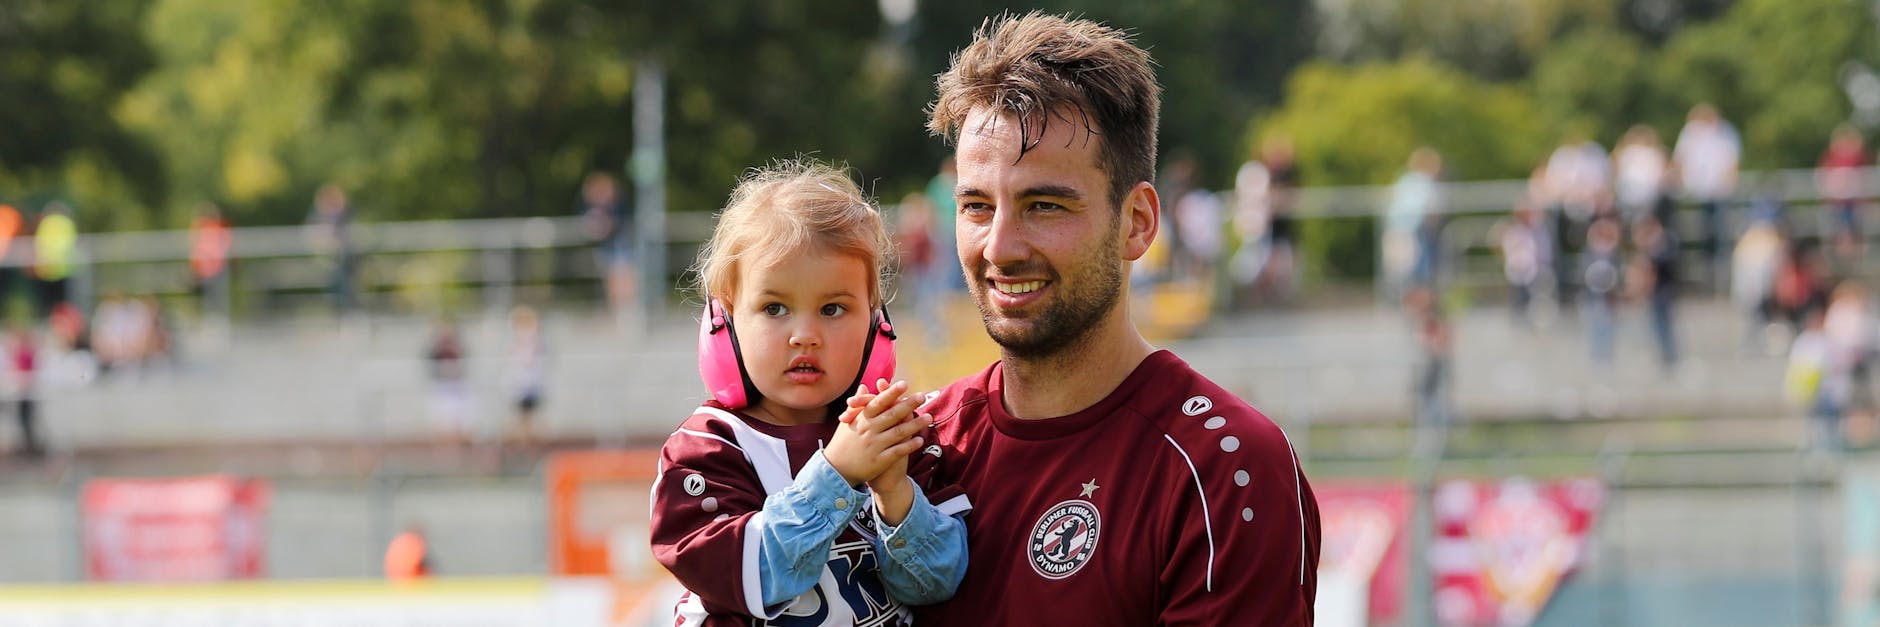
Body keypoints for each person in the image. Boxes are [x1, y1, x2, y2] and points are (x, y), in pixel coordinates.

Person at [915, 13, 1319, 624]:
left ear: (1137, 223)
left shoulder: (1224, 470)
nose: (1000, 245)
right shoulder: (915, 450)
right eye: (976, 206)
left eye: (1043, 205)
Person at [649, 160, 970, 625]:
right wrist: (836, 474)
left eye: (833, 308)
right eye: (774, 307)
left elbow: (938, 584)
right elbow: (754, 576)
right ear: (726, 321)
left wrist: (895, 493)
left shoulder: (897, 436)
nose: (805, 335)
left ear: (876, 326)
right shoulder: (705, 449)